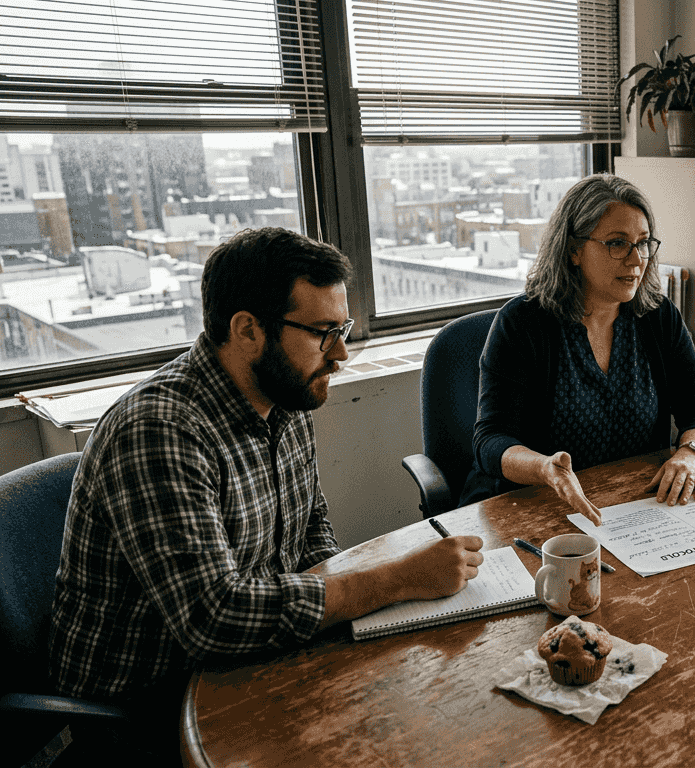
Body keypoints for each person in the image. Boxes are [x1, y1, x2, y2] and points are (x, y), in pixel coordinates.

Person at [49, 228, 485, 759]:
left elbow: (311, 524)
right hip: (150, 709)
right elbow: (213, 617)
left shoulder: (282, 396)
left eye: (342, 327)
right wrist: (392, 582)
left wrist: (354, 625)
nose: (342, 353)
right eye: (324, 332)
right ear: (248, 330)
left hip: (253, 661)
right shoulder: (160, 431)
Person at [461, 174, 695, 523]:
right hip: (535, 507)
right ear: (573, 250)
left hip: (632, 508)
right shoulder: (523, 324)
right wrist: (544, 469)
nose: (636, 260)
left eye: (643, 243)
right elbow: (491, 440)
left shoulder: (657, 317)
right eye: (617, 243)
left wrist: (691, 453)